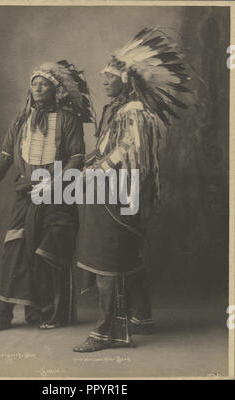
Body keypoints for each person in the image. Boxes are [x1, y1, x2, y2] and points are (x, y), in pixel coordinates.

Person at [73, 27, 191, 352]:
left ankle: (107, 331)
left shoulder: (135, 112)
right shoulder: (120, 110)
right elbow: (110, 147)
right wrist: (89, 158)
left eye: (110, 76)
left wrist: (94, 171)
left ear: (128, 78)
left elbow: (128, 151)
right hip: (114, 191)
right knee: (126, 254)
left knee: (108, 258)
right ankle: (142, 316)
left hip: (119, 193)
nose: (104, 81)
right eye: (104, 76)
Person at [0, 60, 94, 333]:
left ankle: (53, 312)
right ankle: (3, 316)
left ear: (55, 89)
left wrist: (53, 184)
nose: (37, 87)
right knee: (15, 251)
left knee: (50, 253)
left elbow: (76, 159)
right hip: (26, 195)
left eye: (43, 83)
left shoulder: (69, 120)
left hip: (59, 197)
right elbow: (5, 157)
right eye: (34, 82)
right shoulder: (21, 120)